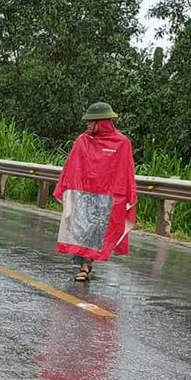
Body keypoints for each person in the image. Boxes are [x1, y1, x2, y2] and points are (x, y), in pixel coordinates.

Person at [54, 102, 136, 282]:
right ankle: (83, 266)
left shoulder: (122, 143)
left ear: (103, 122)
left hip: (107, 198)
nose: (88, 125)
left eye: (92, 122)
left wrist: (123, 196)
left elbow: (126, 171)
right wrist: (67, 188)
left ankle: (88, 263)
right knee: (81, 229)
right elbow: (72, 166)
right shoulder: (82, 141)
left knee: (97, 232)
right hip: (83, 194)